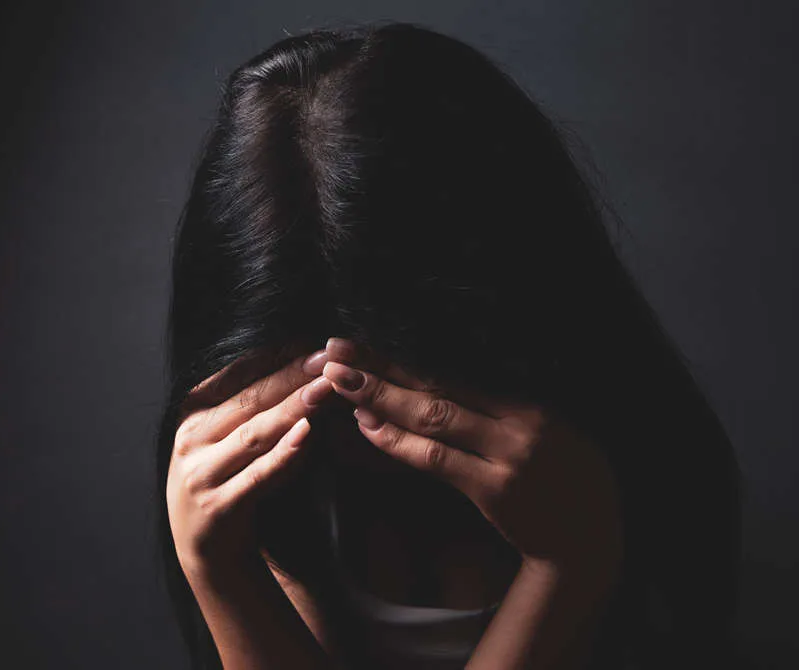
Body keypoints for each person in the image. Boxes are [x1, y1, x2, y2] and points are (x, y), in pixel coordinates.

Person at [153, 21, 739, 669]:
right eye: (305, 373)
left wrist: (572, 564)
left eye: (405, 357)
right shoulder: (254, 492)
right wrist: (222, 574)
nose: (354, 414)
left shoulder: (638, 473)